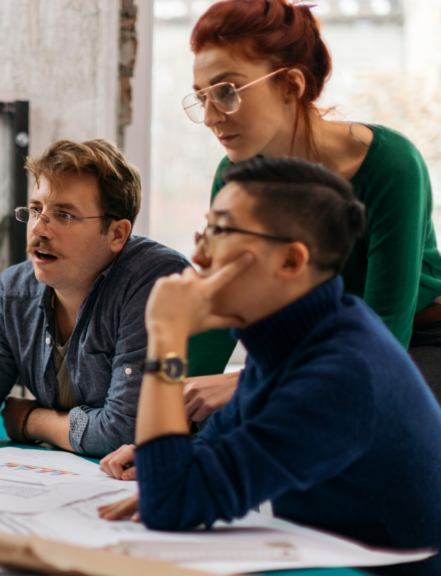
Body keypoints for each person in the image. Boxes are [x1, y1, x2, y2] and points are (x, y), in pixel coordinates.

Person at [98, 157, 441, 576]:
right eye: (204, 231)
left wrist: (166, 340)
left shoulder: (343, 372)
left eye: (220, 232)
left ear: (291, 262)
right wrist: (165, 466)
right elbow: (203, 458)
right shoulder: (290, 337)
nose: (198, 256)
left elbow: (171, 504)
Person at [181, 0, 441, 422]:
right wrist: (164, 426)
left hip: (418, 339)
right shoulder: (235, 177)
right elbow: (217, 307)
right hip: (313, 345)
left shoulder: (392, 165)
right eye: (201, 97)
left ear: (291, 85)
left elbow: (383, 337)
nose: (210, 117)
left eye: (227, 92)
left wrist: (246, 381)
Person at [0, 139, 229, 463]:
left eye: (64, 215)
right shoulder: (13, 292)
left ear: (117, 235)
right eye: (36, 209)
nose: (38, 228)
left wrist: (31, 421)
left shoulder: (155, 280)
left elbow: (128, 429)